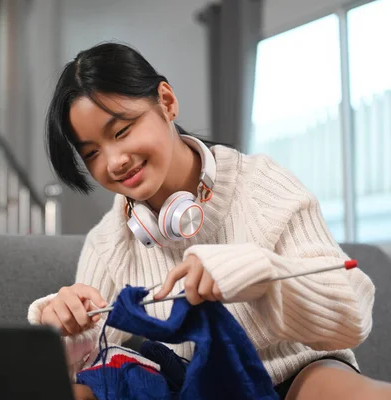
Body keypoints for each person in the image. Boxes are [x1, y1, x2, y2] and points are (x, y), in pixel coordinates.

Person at [27, 42, 390, 399]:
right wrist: (66, 329)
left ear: (166, 102)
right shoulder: (110, 240)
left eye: (122, 131)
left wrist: (259, 272)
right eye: (92, 153)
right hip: (191, 386)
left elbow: (351, 314)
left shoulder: (262, 185)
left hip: (299, 375)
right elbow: (87, 363)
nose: (114, 161)